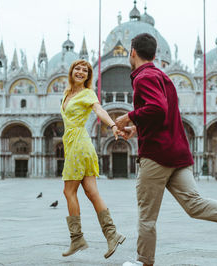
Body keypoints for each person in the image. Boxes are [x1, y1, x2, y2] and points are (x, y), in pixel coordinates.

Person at [116, 33, 217, 266]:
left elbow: (156, 109)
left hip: (156, 156)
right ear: (155, 55)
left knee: (146, 217)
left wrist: (129, 115)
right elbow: (163, 116)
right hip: (178, 154)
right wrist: (137, 128)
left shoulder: (143, 77)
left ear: (132, 52)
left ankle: (143, 262)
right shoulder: (163, 78)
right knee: (194, 205)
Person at [61, 59, 125, 259]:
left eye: (85, 71)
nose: (80, 72)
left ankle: (77, 238)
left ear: (89, 77)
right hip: (78, 144)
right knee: (91, 191)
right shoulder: (67, 94)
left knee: (68, 191)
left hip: (79, 145)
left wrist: (113, 125)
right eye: (77, 68)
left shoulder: (87, 94)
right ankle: (112, 234)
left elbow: (99, 110)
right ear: (71, 72)